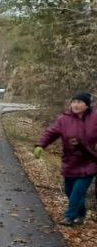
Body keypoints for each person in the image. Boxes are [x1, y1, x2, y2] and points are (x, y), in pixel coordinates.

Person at [34, 91, 97, 225]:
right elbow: (50, 133)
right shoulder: (64, 119)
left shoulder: (95, 117)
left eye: (79, 102)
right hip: (70, 162)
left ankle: (69, 217)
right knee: (70, 192)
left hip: (89, 161)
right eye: (74, 102)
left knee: (78, 191)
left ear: (87, 105)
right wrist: (40, 145)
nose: (75, 105)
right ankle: (81, 214)